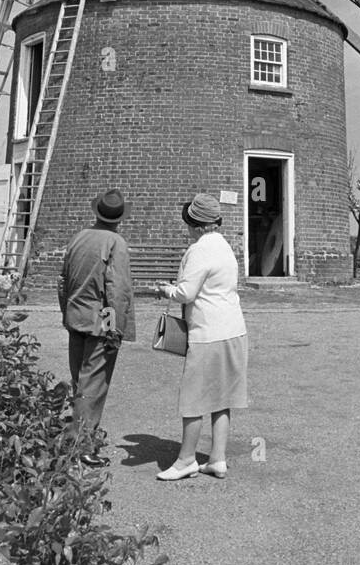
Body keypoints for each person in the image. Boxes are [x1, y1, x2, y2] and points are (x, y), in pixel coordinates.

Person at [154, 193, 248, 481]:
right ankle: (217, 458)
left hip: (207, 332)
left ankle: (186, 460)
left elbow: (186, 293)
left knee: (193, 398)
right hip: (233, 328)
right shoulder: (225, 247)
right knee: (222, 397)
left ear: (195, 224)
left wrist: (166, 289)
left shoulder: (199, 250)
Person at [57, 189, 135, 466]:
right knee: (94, 384)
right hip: (101, 323)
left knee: (80, 381)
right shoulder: (116, 243)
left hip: (75, 317)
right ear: (119, 218)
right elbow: (117, 290)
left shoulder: (79, 237)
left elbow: (63, 280)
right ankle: (83, 446)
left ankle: (73, 437)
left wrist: (67, 312)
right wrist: (114, 329)